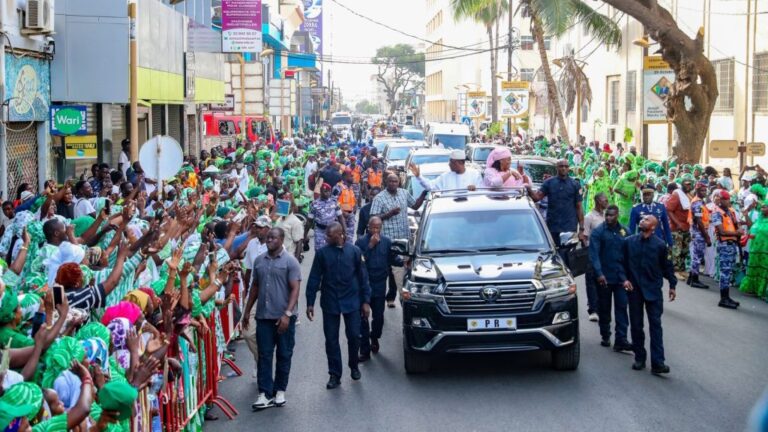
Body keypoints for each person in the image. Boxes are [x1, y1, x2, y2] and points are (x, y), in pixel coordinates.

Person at [305, 223, 371, 390]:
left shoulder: (355, 252)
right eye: (326, 235)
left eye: (330, 235)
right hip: (330, 302)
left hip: (352, 301)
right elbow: (314, 278)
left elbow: (363, 278)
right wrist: (310, 302)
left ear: (340, 234)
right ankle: (335, 374)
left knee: (354, 335)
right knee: (331, 340)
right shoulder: (322, 254)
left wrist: (365, 302)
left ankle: (354, 365)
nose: (326, 237)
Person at [241, 228, 301, 410]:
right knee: (265, 355)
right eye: (268, 238)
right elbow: (255, 287)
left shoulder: (291, 261)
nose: (269, 241)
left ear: (282, 240)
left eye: (273, 238)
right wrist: (247, 311)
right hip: (264, 317)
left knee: (284, 354)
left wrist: (287, 315)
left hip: (283, 318)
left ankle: (280, 390)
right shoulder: (259, 261)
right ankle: (264, 393)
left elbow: (295, 290)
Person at [623, 215, 677, 375]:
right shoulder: (629, 242)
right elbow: (622, 263)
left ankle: (658, 362)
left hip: (653, 291)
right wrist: (624, 279)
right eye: (642, 219)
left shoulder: (660, 245)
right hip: (634, 291)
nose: (642, 220)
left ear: (653, 227)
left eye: (646, 219)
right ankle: (639, 357)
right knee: (636, 325)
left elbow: (667, 266)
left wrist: (672, 285)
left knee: (656, 326)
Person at [371, 174, 427, 307]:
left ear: (399, 182)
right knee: (389, 270)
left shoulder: (404, 193)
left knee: (401, 269)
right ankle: (388, 297)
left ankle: (398, 297)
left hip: (403, 239)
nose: (393, 183)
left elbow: (415, 206)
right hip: (387, 239)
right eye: (390, 181)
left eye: (395, 181)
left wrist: (424, 193)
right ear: (386, 182)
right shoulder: (379, 198)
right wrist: (389, 214)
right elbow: (373, 218)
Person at [355, 217, 401, 361]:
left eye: (378, 227)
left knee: (379, 317)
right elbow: (359, 261)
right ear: (368, 227)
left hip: (380, 284)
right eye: (373, 227)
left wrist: (404, 262)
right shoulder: (361, 242)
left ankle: (374, 337)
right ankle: (364, 350)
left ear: (381, 227)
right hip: (365, 284)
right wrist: (370, 245)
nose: (375, 230)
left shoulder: (387, 241)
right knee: (363, 317)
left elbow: (393, 259)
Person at [588, 205, 632, 352]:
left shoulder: (625, 231)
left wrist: (629, 277)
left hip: (621, 278)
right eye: (607, 215)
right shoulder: (598, 232)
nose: (608, 218)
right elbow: (594, 255)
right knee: (604, 309)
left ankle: (621, 339)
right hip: (604, 278)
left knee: (621, 308)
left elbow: (629, 255)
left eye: (612, 215)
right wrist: (599, 274)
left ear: (617, 215)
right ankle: (605, 335)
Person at [527, 159, 586, 246]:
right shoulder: (549, 183)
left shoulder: (575, 184)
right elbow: (536, 198)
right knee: (554, 251)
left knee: (569, 255)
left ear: (568, 168)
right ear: (557, 168)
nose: (563, 168)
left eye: (566, 166)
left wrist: (581, 229)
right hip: (553, 226)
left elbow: (579, 207)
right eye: (561, 166)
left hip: (569, 226)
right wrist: (528, 188)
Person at [711, 190, 742, 309]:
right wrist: (736, 233)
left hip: (732, 244)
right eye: (725, 199)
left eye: (728, 199)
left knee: (728, 272)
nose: (727, 201)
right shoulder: (716, 212)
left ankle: (727, 297)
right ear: (720, 200)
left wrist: (738, 231)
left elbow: (737, 224)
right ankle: (723, 299)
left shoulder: (730, 211)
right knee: (725, 272)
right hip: (725, 244)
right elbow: (722, 231)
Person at [583, 192, 608, 322]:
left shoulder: (606, 216)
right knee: (591, 281)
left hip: (605, 254)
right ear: (598, 201)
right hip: (593, 253)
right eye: (605, 200)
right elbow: (584, 236)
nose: (607, 203)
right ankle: (592, 309)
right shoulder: (589, 217)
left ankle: (601, 307)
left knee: (602, 281)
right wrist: (590, 251)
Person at [409, 150, 482, 191]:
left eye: (451, 162)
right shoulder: (445, 177)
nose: (449, 164)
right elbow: (430, 186)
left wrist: (475, 189)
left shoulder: (475, 175)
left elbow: (482, 193)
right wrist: (419, 176)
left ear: (460, 162)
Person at [740, 199, 768, 300]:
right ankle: (753, 288)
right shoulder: (759, 219)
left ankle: (762, 290)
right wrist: (746, 215)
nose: (762, 208)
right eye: (762, 206)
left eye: (765, 207)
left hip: (765, 252)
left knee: (764, 271)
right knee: (754, 268)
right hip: (755, 250)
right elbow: (751, 227)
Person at [665, 178, 694, 275]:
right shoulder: (677, 195)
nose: (688, 186)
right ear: (682, 185)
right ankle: (675, 271)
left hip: (687, 227)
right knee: (676, 250)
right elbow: (669, 209)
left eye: (690, 185)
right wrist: (678, 223)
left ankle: (681, 269)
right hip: (676, 228)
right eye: (686, 185)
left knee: (684, 250)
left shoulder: (688, 195)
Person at [304, 184, 344, 251]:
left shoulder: (334, 203)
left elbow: (340, 217)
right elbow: (309, 221)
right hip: (320, 231)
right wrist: (305, 234)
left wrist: (344, 231)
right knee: (319, 251)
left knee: (333, 251)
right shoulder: (314, 204)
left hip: (333, 231)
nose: (327, 193)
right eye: (325, 191)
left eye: (329, 191)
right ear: (321, 191)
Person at [687, 182, 712, 288]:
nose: (704, 192)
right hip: (698, 232)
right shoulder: (697, 203)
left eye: (705, 190)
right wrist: (706, 236)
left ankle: (690, 278)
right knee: (697, 257)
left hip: (698, 232)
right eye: (702, 190)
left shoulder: (700, 202)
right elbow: (699, 220)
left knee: (696, 256)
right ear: (696, 191)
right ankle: (695, 280)